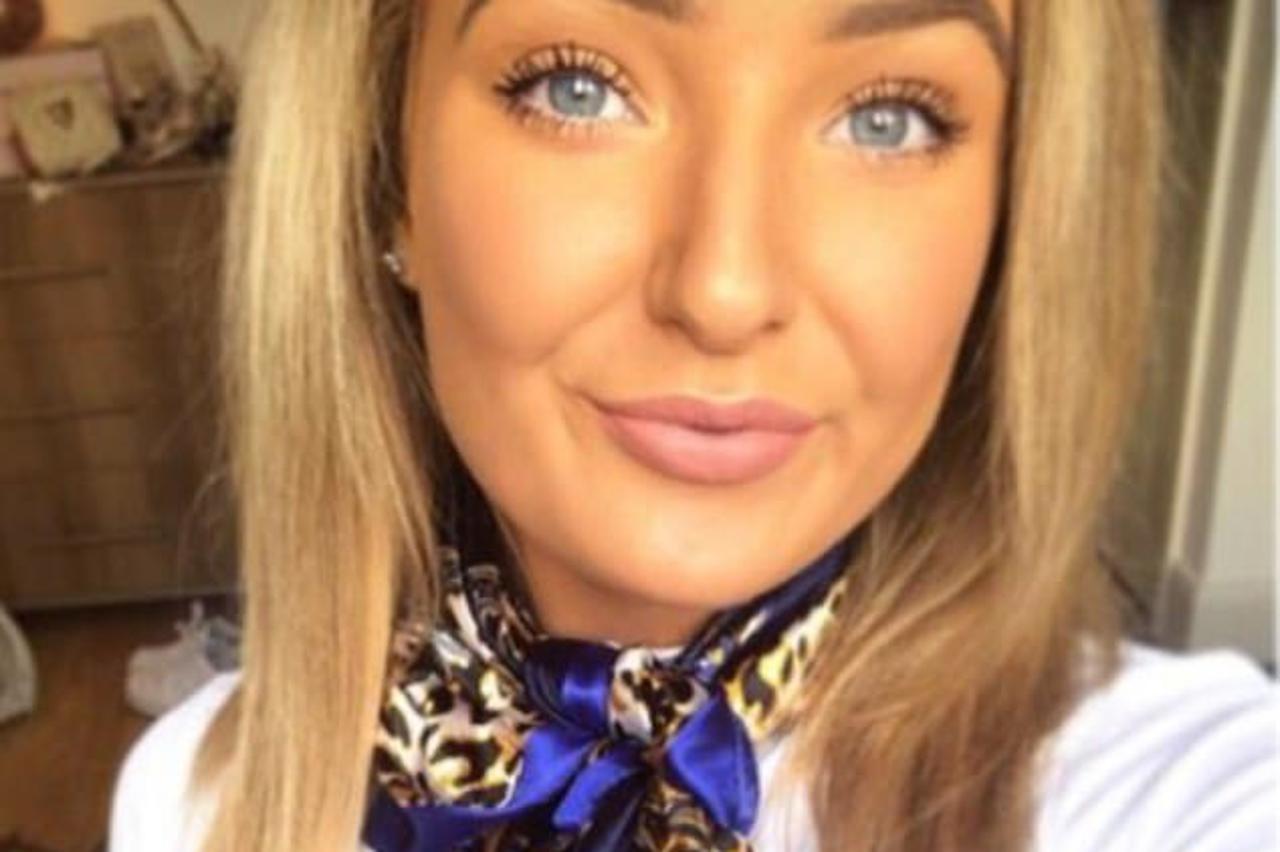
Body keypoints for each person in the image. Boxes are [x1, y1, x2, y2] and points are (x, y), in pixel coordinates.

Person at [109, 0, 1277, 850]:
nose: (723, 289)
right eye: (576, 88)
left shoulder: (1177, 789)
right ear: (385, 176)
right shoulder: (196, 802)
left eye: (887, 119)